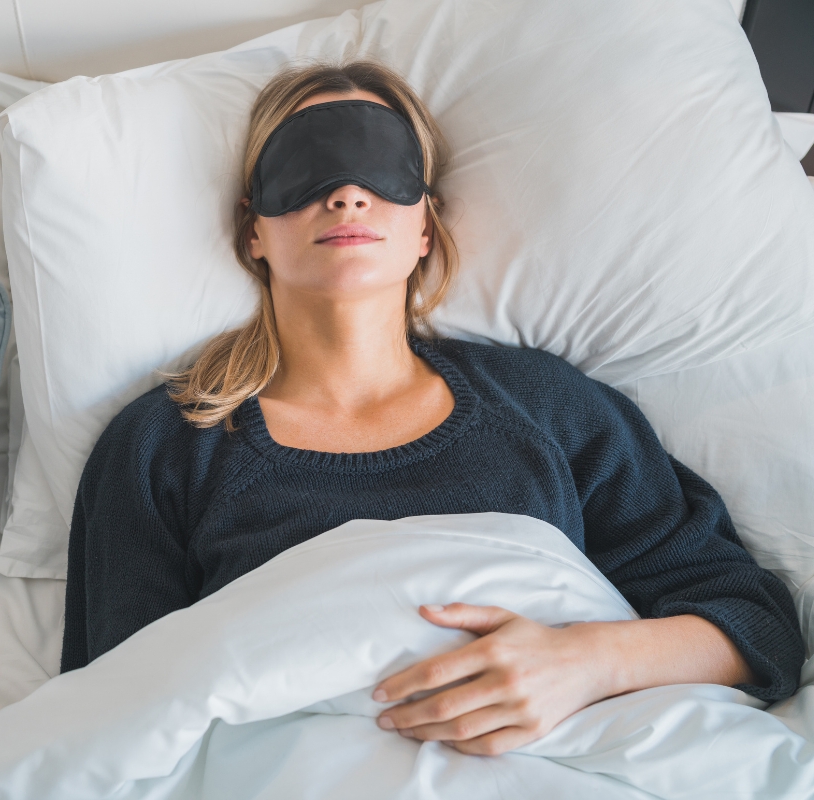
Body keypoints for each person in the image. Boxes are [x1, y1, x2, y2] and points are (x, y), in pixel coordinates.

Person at [60, 60, 803, 755]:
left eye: (382, 170)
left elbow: (755, 626)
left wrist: (586, 661)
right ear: (254, 228)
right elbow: (119, 709)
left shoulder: (547, 406)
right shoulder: (165, 444)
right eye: (305, 169)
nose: (347, 195)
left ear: (425, 224)